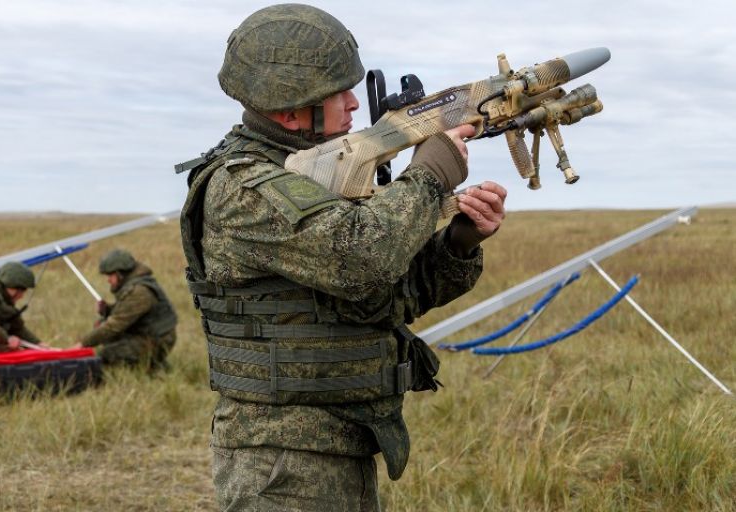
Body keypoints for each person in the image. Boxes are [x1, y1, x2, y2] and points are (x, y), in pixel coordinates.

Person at [176, 4, 507, 510]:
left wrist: (458, 242)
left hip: (339, 439)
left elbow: (382, 300)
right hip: (283, 460)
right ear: (291, 110)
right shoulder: (243, 187)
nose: (355, 104)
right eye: (339, 93)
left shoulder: (313, 175)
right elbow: (363, 259)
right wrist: (429, 175)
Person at [73, 249, 178, 370]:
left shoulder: (139, 292)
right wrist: (108, 310)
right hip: (147, 333)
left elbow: (114, 326)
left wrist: (82, 344)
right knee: (100, 324)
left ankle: (151, 365)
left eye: (110, 275)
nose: (108, 280)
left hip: (157, 339)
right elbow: (127, 312)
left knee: (106, 354)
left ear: (120, 274)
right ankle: (152, 364)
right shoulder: (134, 285)